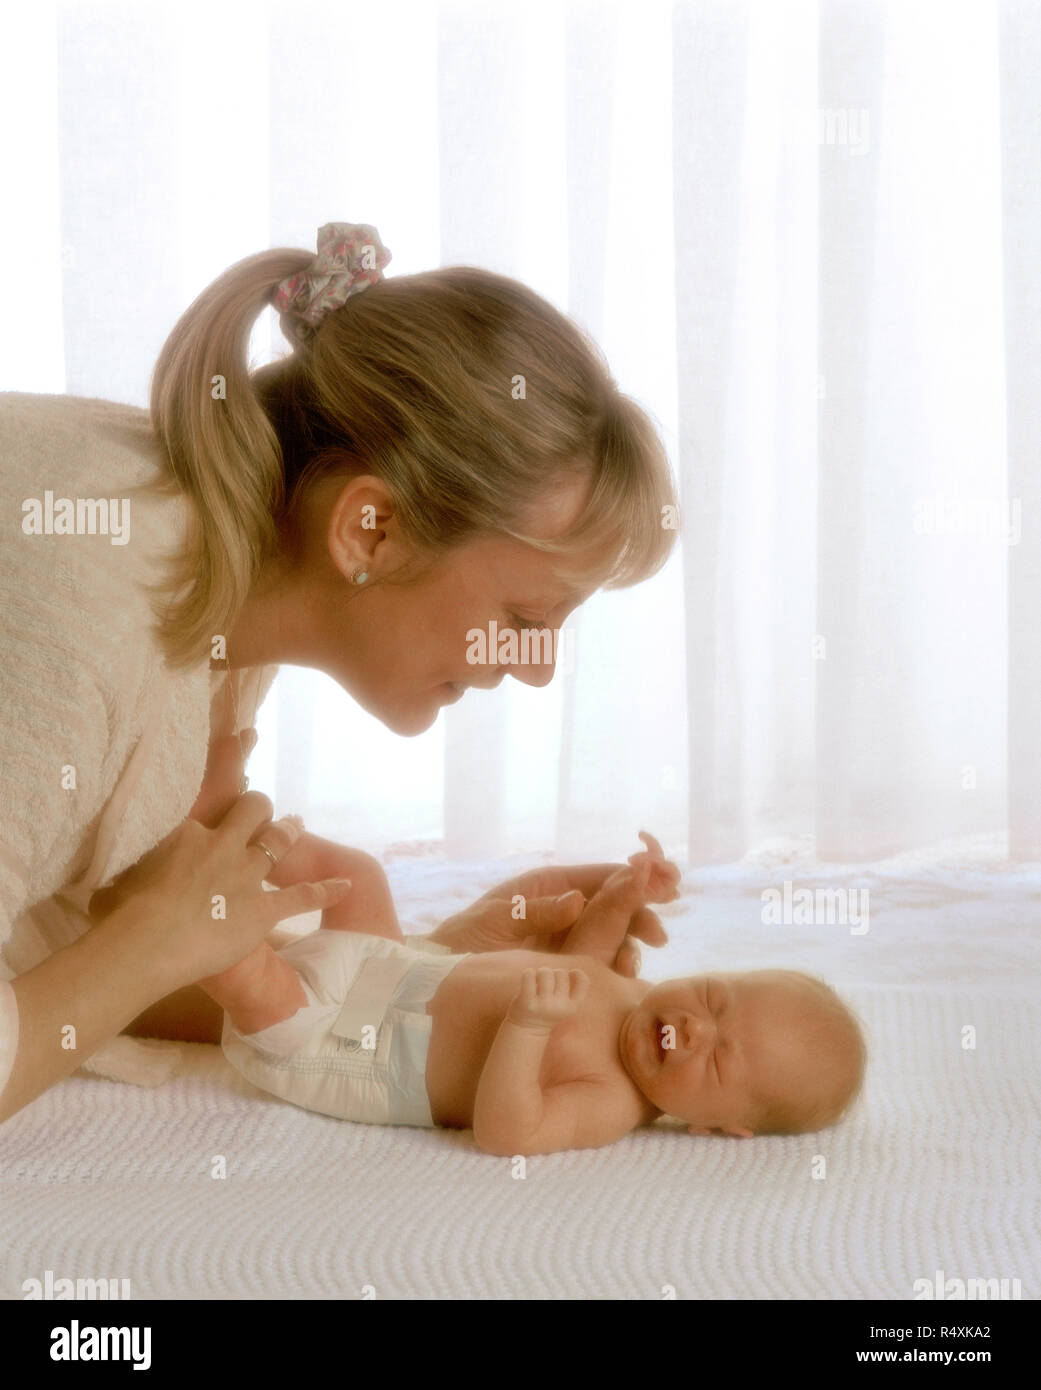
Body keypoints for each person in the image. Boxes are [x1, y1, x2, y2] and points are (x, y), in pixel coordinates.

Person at [0, 221, 678, 1123]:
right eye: (523, 620)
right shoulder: (80, 632)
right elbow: (129, 953)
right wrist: (150, 947)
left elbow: (81, 963)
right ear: (370, 529)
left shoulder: (215, 600)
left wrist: (426, 979)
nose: (537, 670)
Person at [208, 830, 867, 1152]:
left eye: (719, 1057)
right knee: (356, 872)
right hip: (389, 964)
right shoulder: (619, 992)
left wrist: (526, 1028)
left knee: (251, 975)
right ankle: (224, 829)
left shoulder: (611, 1103)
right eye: (715, 999)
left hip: (351, 1047)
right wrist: (629, 888)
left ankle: (189, 914)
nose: (697, 1029)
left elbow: (508, 1133)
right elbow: (588, 949)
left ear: (720, 1126)